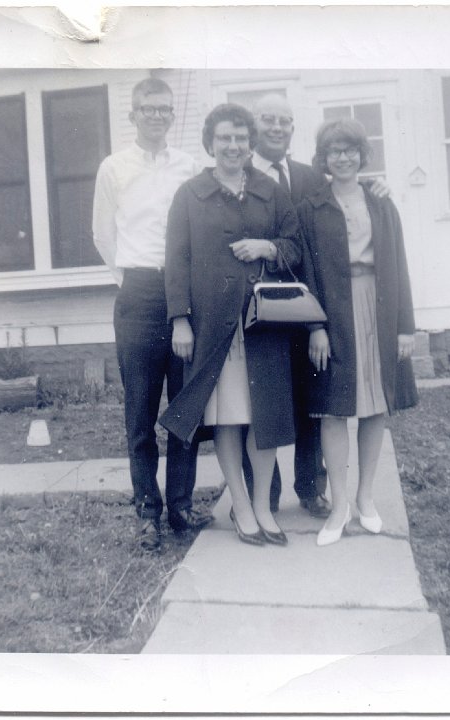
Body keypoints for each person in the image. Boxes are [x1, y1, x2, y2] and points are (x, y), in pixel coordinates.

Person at [244, 92, 393, 519]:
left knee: (319, 393)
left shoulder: (311, 176)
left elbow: (345, 202)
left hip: (316, 298)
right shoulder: (239, 175)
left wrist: (377, 185)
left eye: (284, 121)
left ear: (293, 129)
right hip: (264, 302)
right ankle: (264, 498)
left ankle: (311, 488)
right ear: (256, 128)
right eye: (267, 119)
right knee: (265, 400)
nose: (276, 127)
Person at [159, 103, 302, 546]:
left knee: (265, 416)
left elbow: (295, 247)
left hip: (263, 323)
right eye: (225, 138)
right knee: (226, 416)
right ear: (211, 142)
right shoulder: (190, 193)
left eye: (241, 138)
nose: (234, 146)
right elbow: (176, 260)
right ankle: (240, 506)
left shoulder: (270, 190)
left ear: (250, 143)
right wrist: (180, 320)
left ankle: (263, 505)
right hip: (213, 322)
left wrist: (266, 247)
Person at [92, 77, 212, 552]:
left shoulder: (191, 167)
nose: (157, 116)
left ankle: (181, 507)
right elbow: (103, 236)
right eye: (148, 109)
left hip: (184, 292)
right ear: (133, 114)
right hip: (139, 293)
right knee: (140, 410)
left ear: (171, 115)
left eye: (164, 109)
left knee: (185, 407)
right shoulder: (114, 168)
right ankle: (147, 510)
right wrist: (134, 282)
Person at [296, 117, 419, 546]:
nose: (343, 157)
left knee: (375, 405)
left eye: (350, 150)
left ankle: (366, 498)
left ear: (361, 155)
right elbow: (307, 271)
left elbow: (398, 264)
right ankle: (339, 504)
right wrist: (316, 326)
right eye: (334, 151)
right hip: (334, 313)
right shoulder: (311, 207)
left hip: (379, 310)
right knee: (334, 408)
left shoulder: (382, 203)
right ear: (324, 158)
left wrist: (405, 326)